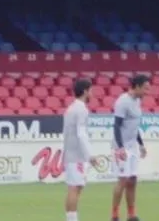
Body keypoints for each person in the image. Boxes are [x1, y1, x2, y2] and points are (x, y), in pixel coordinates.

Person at [112, 73, 151, 221]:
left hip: (133, 145)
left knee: (133, 179)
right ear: (137, 86)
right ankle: (114, 214)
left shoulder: (138, 101)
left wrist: (141, 144)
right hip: (121, 146)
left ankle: (131, 214)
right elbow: (116, 125)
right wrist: (120, 147)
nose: (147, 92)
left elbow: (134, 125)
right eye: (145, 88)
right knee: (122, 179)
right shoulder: (123, 102)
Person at [62, 78, 94, 221]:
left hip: (70, 153)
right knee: (75, 188)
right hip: (77, 155)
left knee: (74, 187)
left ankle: (70, 218)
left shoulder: (71, 108)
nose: (92, 93)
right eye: (91, 90)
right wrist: (89, 155)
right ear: (85, 91)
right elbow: (81, 133)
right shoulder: (81, 109)